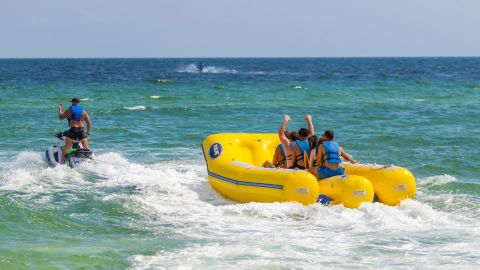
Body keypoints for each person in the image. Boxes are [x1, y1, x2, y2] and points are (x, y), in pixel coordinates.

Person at [57, 97, 92, 164]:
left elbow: (61, 117)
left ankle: (61, 163)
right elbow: (89, 123)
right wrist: (88, 132)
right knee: (86, 147)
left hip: (73, 129)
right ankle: (90, 160)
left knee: (66, 147)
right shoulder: (83, 111)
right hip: (82, 130)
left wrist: (60, 110)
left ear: (72, 102)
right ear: (79, 103)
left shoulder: (69, 110)